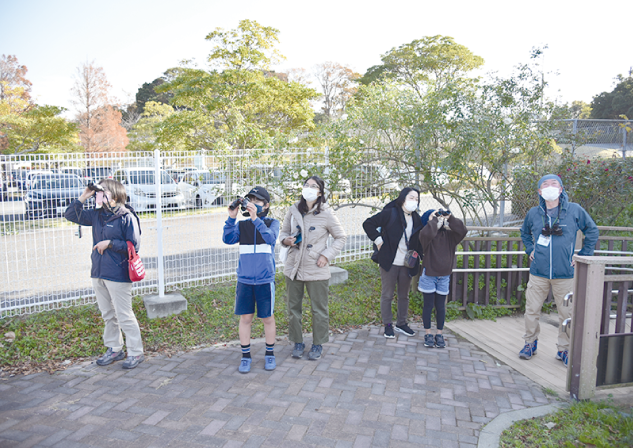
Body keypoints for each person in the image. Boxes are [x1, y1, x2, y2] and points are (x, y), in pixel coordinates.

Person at [64, 179, 144, 369]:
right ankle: (115, 348)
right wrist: (84, 196)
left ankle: (136, 352)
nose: (98, 195)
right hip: (98, 271)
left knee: (124, 314)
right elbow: (70, 215)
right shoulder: (97, 215)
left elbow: (133, 246)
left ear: (115, 195)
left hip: (118, 273)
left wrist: (109, 243)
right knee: (108, 314)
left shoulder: (126, 216)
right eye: (98, 192)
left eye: (102, 192)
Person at [519, 174, 598, 366]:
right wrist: (530, 250)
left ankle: (564, 350)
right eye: (544, 184)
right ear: (540, 191)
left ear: (561, 189)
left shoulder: (574, 211)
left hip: (565, 274)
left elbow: (592, 230)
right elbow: (524, 232)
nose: (549, 186)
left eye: (554, 183)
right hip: (538, 272)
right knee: (531, 310)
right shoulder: (534, 213)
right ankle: (530, 343)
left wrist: (583, 255)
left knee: (567, 315)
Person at [279, 176, 347, 361]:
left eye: (314, 186)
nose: (309, 188)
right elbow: (283, 233)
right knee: (293, 308)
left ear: (320, 193)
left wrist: (326, 255)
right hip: (294, 266)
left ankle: (318, 344)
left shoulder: (326, 213)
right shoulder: (293, 210)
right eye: (306, 185)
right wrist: (286, 240)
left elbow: (341, 237)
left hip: (316, 267)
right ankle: (298, 342)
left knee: (319, 309)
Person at [223, 187, 279, 374]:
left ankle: (269, 353)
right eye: (250, 200)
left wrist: (256, 220)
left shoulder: (272, 223)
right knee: (245, 318)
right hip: (245, 280)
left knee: (267, 318)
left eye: (258, 201)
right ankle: (245, 356)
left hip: (265, 280)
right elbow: (228, 238)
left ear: (266, 205)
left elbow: (270, 239)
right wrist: (232, 217)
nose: (253, 204)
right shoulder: (242, 225)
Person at [362, 187, 423, 339]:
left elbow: (419, 240)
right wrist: (378, 240)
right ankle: (388, 325)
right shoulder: (391, 213)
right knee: (387, 295)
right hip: (389, 261)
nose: (413, 201)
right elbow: (368, 223)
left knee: (404, 295)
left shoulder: (416, 218)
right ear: (403, 198)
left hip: (407, 263)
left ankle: (402, 323)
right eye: (411, 197)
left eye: (416, 199)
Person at [418, 209, 467, 348]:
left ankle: (439, 333)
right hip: (429, 275)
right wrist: (434, 220)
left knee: (440, 306)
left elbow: (462, 230)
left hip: (444, 275)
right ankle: (428, 333)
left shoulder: (450, 236)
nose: (439, 219)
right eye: (435, 217)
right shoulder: (426, 235)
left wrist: (450, 218)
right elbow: (426, 233)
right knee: (428, 306)